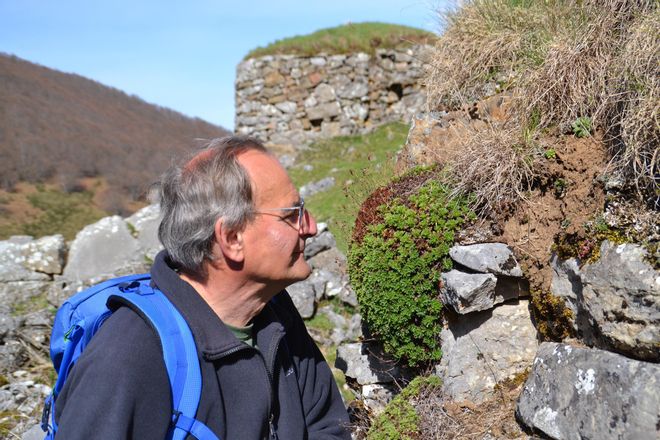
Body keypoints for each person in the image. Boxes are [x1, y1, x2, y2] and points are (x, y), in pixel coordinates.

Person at [53, 136, 351, 439]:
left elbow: (329, 427)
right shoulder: (129, 356)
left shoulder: (276, 314)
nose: (311, 227)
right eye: (292, 215)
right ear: (232, 239)